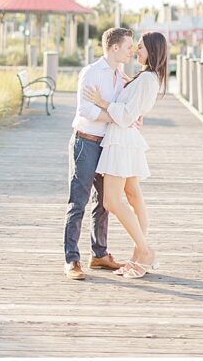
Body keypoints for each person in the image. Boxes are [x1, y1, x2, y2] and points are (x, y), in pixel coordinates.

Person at [83, 30, 168, 279]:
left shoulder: (147, 79)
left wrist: (102, 101)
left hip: (121, 140)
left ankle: (144, 251)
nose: (136, 51)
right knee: (132, 195)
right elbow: (133, 109)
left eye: (140, 47)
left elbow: (128, 115)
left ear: (152, 50)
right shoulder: (147, 77)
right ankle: (138, 255)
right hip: (125, 139)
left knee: (111, 201)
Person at [63, 27, 134, 280]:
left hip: (108, 144)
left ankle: (99, 254)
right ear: (114, 47)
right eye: (128, 46)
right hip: (85, 143)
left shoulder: (121, 75)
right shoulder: (91, 73)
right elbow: (85, 111)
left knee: (104, 202)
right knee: (78, 202)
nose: (131, 50)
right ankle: (72, 260)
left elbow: (124, 109)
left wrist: (121, 115)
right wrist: (116, 117)